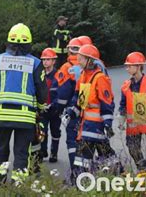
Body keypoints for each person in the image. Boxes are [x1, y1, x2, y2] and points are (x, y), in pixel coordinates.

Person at [0, 23, 48, 186]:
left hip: (2, 115)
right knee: (21, 153)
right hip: (25, 117)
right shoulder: (36, 63)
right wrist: (39, 109)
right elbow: (42, 92)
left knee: (1, 151)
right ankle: (18, 188)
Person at [65, 44, 121, 183]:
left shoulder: (100, 78)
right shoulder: (83, 76)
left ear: (90, 60)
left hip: (95, 127)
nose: (78, 60)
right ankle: (118, 176)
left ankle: (80, 183)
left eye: (81, 58)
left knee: (86, 157)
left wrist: (108, 125)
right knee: (104, 155)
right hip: (85, 127)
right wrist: (70, 114)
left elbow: (106, 103)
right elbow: (79, 100)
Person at [53, 37, 83, 168]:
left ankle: (77, 173)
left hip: (72, 110)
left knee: (72, 141)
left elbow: (63, 94)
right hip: (90, 112)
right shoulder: (95, 65)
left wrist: (59, 109)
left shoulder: (67, 68)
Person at [39, 48, 61, 163]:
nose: (45, 62)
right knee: (42, 131)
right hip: (43, 109)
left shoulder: (58, 75)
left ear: (53, 61)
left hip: (55, 110)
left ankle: (54, 153)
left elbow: (61, 93)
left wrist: (54, 105)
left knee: (55, 131)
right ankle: (43, 152)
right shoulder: (40, 75)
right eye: (44, 60)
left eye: (48, 59)